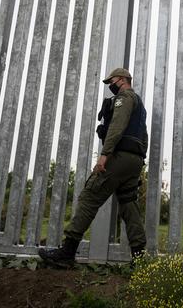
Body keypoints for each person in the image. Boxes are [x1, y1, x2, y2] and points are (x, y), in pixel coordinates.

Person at [39, 68, 148, 267]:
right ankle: (139, 258)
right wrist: (139, 160)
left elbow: (117, 126)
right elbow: (144, 135)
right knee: (128, 205)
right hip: (135, 160)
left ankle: (67, 252)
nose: (110, 85)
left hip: (120, 157)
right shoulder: (140, 104)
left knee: (90, 196)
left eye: (112, 81)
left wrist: (104, 156)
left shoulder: (124, 98)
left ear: (123, 80)